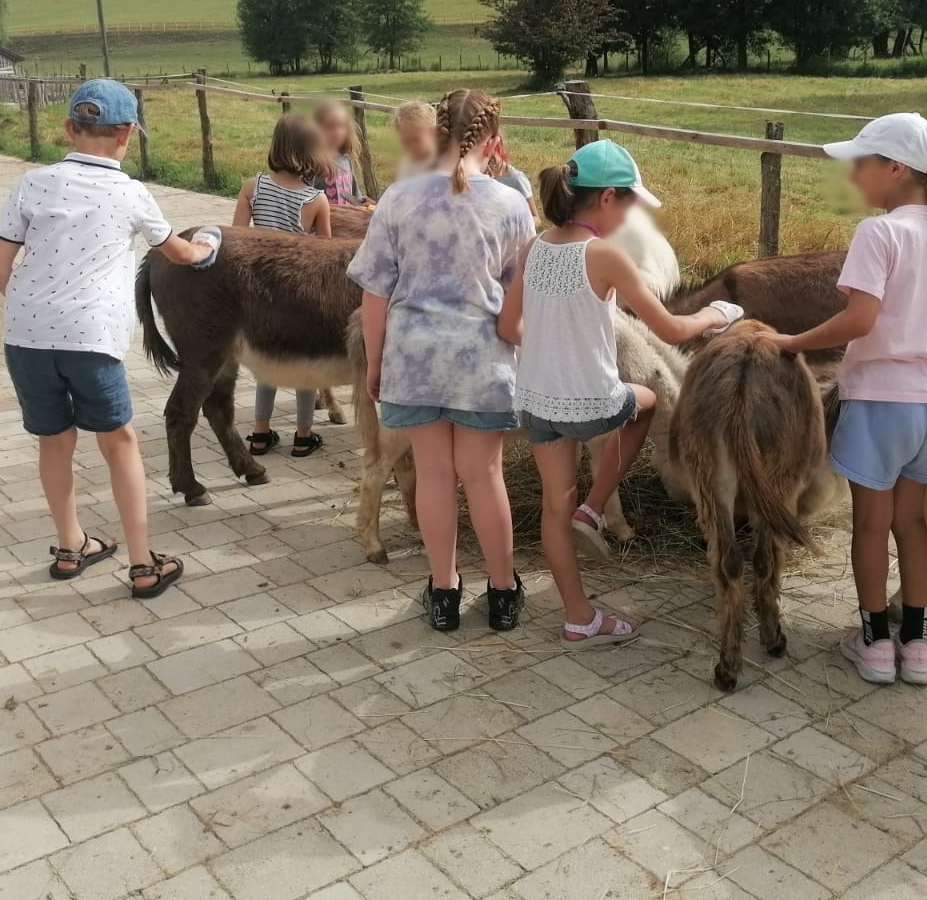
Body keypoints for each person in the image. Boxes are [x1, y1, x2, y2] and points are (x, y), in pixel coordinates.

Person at [761, 113, 927, 687]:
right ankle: (917, 642)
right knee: (913, 525)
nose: (854, 174)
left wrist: (791, 342)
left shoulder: (879, 233)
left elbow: (860, 320)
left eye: (861, 163)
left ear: (894, 168)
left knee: (870, 525)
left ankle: (874, 643)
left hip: (880, 401)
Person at [498, 141, 737, 647]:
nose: (631, 216)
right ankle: (597, 505)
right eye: (630, 204)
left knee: (552, 509)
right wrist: (718, 315)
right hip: (590, 402)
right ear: (607, 198)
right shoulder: (605, 255)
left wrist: (551, 342)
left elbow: (507, 324)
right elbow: (672, 329)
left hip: (537, 401)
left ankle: (577, 616)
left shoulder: (535, 247)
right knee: (646, 403)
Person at [0, 79, 215, 600]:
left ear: (68, 128)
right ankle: (142, 564)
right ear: (128, 135)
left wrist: (33, 308)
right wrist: (206, 245)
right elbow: (178, 253)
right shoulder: (130, 193)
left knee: (54, 440)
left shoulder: (32, 182)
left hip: (25, 336)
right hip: (90, 336)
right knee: (119, 442)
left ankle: (71, 546)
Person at [348, 88, 534, 633]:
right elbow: (519, 296)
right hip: (483, 364)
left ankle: (444, 592)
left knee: (433, 474)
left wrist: (375, 364)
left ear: (437, 133)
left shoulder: (398, 199)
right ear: (494, 142)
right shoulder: (511, 205)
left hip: (414, 360)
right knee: (484, 474)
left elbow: (375, 293)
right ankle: (503, 594)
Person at [232, 113, 332, 457]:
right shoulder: (317, 201)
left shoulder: (252, 187)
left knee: (269, 364)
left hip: (261, 294)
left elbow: (237, 242)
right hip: (301, 296)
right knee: (306, 365)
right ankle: (303, 436)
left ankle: (260, 434)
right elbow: (324, 256)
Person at [314, 96, 368, 205]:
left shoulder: (346, 160)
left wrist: (362, 204)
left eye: (341, 126)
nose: (337, 132)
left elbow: (354, 197)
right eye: (330, 126)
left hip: (346, 220)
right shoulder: (313, 161)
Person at [391, 100, 438, 181]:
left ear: (433, 132)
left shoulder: (446, 163)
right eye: (405, 142)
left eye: (416, 140)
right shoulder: (406, 166)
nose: (411, 147)